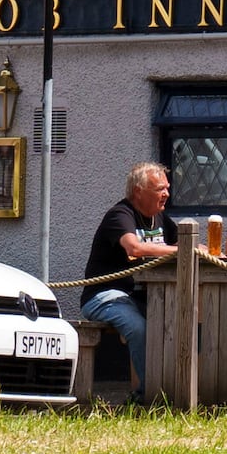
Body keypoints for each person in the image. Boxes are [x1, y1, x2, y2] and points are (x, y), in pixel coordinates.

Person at [80, 162, 180, 390]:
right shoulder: (120, 214)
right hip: (104, 296)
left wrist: (202, 249)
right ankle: (150, 393)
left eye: (167, 188)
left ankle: (175, 386)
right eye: (159, 189)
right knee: (139, 328)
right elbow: (134, 248)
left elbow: (181, 242)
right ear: (138, 192)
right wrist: (183, 250)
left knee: (176, 322)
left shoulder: (160, 218)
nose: (166, 194)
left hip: (140, 296)